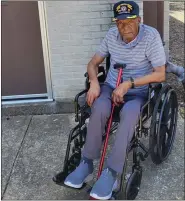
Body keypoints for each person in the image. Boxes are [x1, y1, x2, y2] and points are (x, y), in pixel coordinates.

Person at [64, 1, 184, 199]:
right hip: (110, 87)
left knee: (129, 114)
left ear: (138, 20)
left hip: (138, 92)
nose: (124, 27)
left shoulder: (150, 36)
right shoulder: (112, 35)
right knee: (98, 107)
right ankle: (86, 163)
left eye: (129, 21)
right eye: (119, 22)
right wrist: (94, 82)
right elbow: (93, 63)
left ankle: (112, 172)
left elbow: (160, 74)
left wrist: (129, 83)